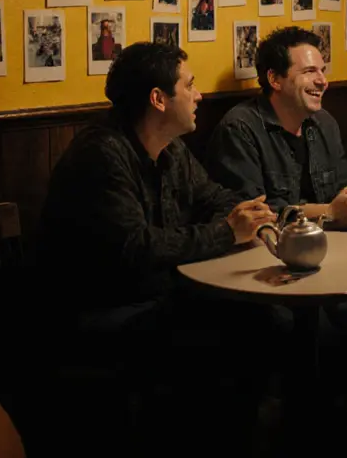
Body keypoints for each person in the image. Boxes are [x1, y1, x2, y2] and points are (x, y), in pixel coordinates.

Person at [37, 43, 279, 454]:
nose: (199, 95)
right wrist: (227, 232)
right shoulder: (101, 154)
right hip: (100, 311)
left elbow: (211, 196)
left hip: (154, 295)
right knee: (241, 329)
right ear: (158, 99)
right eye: (190, 85)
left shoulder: (171, 148)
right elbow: (136, 247)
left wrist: (246, 213)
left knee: (259, 318)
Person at [205, 27, 347, 385]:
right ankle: (324, 422)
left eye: (323, 71)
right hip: (269, 265)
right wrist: (329, 212)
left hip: (330, 255)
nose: (322, 81)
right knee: (328, 323)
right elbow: (256, 218)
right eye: (309, 72)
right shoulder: (240, 129)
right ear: (275, 78)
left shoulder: (323, 123)